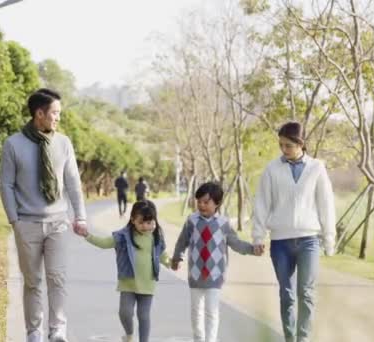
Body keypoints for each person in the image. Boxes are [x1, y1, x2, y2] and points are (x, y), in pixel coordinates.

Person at [0, 88, 87, 342]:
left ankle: (57, 330)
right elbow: (6, 184)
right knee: (33, 282)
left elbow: (73, 182)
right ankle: (34, 332)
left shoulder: (64, 143)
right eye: (55, 113)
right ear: (40, 113)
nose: (58, 118)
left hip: (58, 222)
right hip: (27, 223)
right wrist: (14, 219)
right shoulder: (13, 144)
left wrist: (80, 216)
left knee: (57, 279)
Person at [251, 121, 336, 342]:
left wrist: (329, 239)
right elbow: (262, 203)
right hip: (280, 242)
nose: (284, 150)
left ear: (301, 144)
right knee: (286, 294)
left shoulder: (317, 168)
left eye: (288, 145)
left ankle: (303, 339)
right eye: (281, 145)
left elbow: (326, 204)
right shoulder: (272, 169)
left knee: (306, 293)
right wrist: (258, 236)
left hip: (309, 240)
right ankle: (290, 338)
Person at [171, 182, 260, 342]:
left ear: (217, 203)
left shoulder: (223, 223)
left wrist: (252, 249)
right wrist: (177, 257)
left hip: (215, 274)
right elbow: (182, 241)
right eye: (199, 202)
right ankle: (198, 338)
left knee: (212, 312)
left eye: (206, 202)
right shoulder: (191, 221)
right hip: (195, 274)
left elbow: (236, 243)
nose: (201, 205)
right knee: (196, 311)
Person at [73, 200, 170, 342]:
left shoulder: (156, 237)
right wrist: (87, 235)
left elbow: (162, 255)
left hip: (147, 283)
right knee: (125, 313)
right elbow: (105, 243)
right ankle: (129, 334)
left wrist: (171, 263)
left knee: (144, 316)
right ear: (132, 220)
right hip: (128, 282)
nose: (146, 226)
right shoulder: (123, 236)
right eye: (141, 222)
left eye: (150, 223)